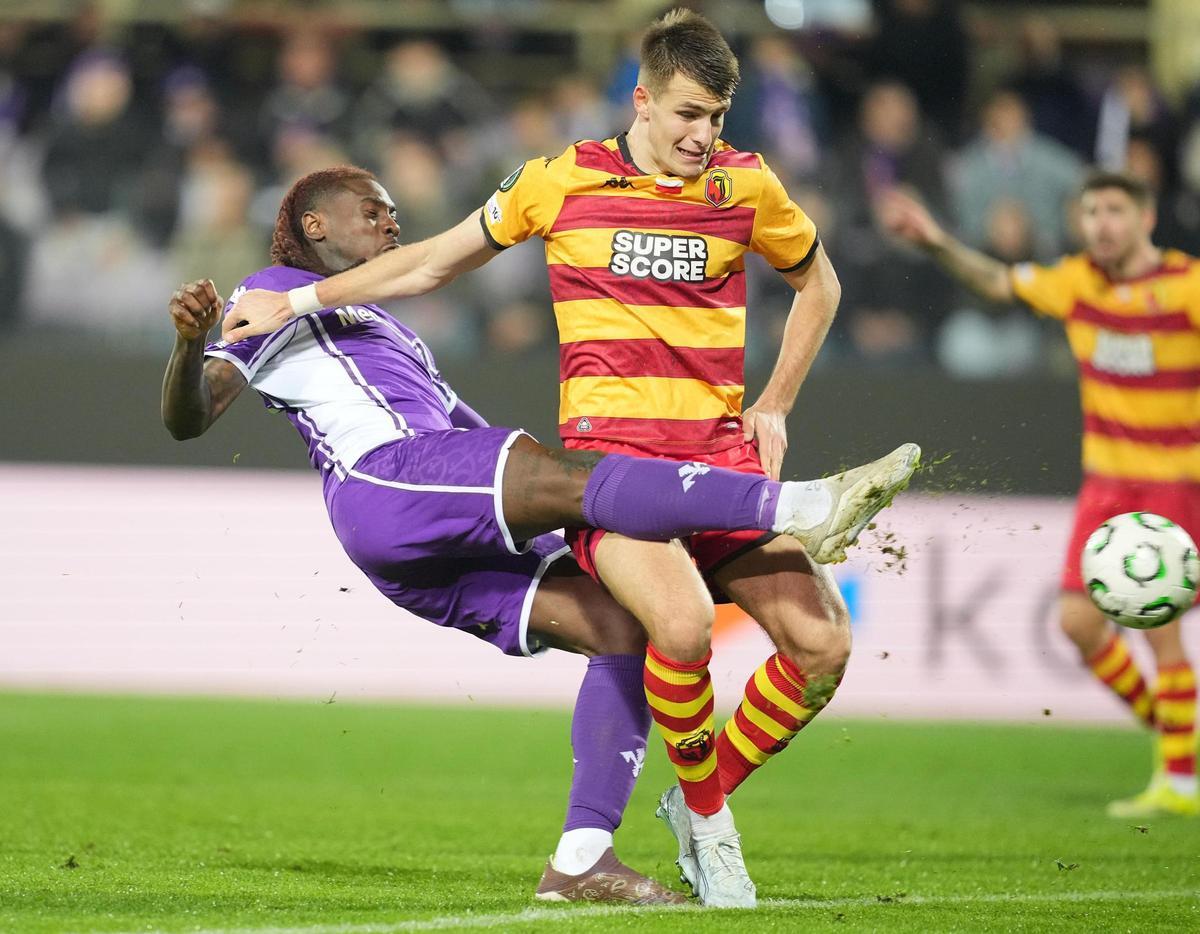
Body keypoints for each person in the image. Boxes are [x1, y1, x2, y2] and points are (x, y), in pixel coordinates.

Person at [220, 10, 921, 907]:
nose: (703, 136)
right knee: (680, 629)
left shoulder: (747, 187)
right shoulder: (559, 181)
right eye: (687, 115)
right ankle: (714, 836)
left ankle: (688, 802)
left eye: (716, 117)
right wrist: (304, 298)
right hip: (614, 481)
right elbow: (432, 262)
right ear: (641, 99)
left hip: (719, 462)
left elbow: (817, 282)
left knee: (822, 644)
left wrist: (776, 401)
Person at [881, 173, 1198, 818]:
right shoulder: (1077, 281)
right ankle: (1175, 737)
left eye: (1114, 210)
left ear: (1147, 217)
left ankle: (1182, 782)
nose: (1101, 224)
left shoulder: (1186, 285)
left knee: (1157, 629)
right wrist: (939, 241)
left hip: (1172, 479)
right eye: (1091, 212)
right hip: (1105, 482)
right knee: (1078, 624)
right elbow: (999, 281)